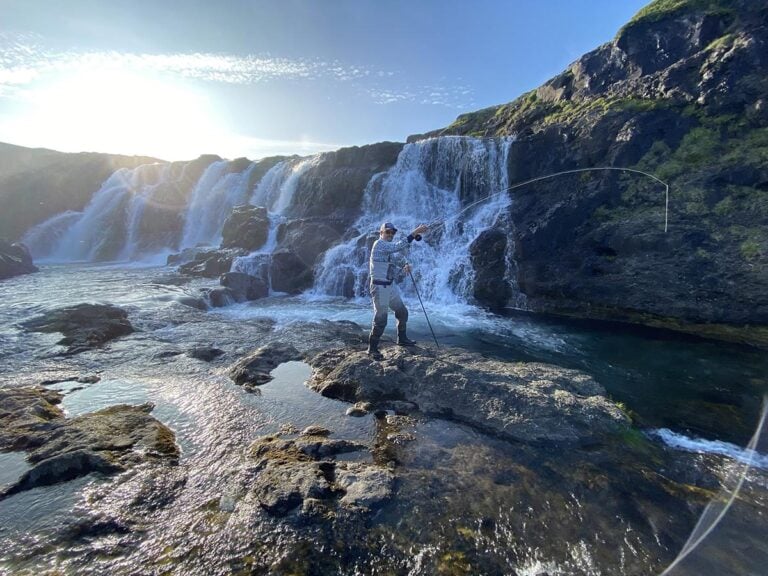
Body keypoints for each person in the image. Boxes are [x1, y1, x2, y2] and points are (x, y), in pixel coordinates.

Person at [367, 221, 429, 360]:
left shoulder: (387, 249)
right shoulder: (379, 244)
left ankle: (402, 339)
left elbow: (397, 258)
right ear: (381, 233)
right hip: (380, 287)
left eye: (392, 232)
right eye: (387, 231)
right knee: (381, 318)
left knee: (402, 311)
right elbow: (397, 247)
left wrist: (406, 264)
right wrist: (415, 232)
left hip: (390, 286)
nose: (390, 234)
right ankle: (372, 349)